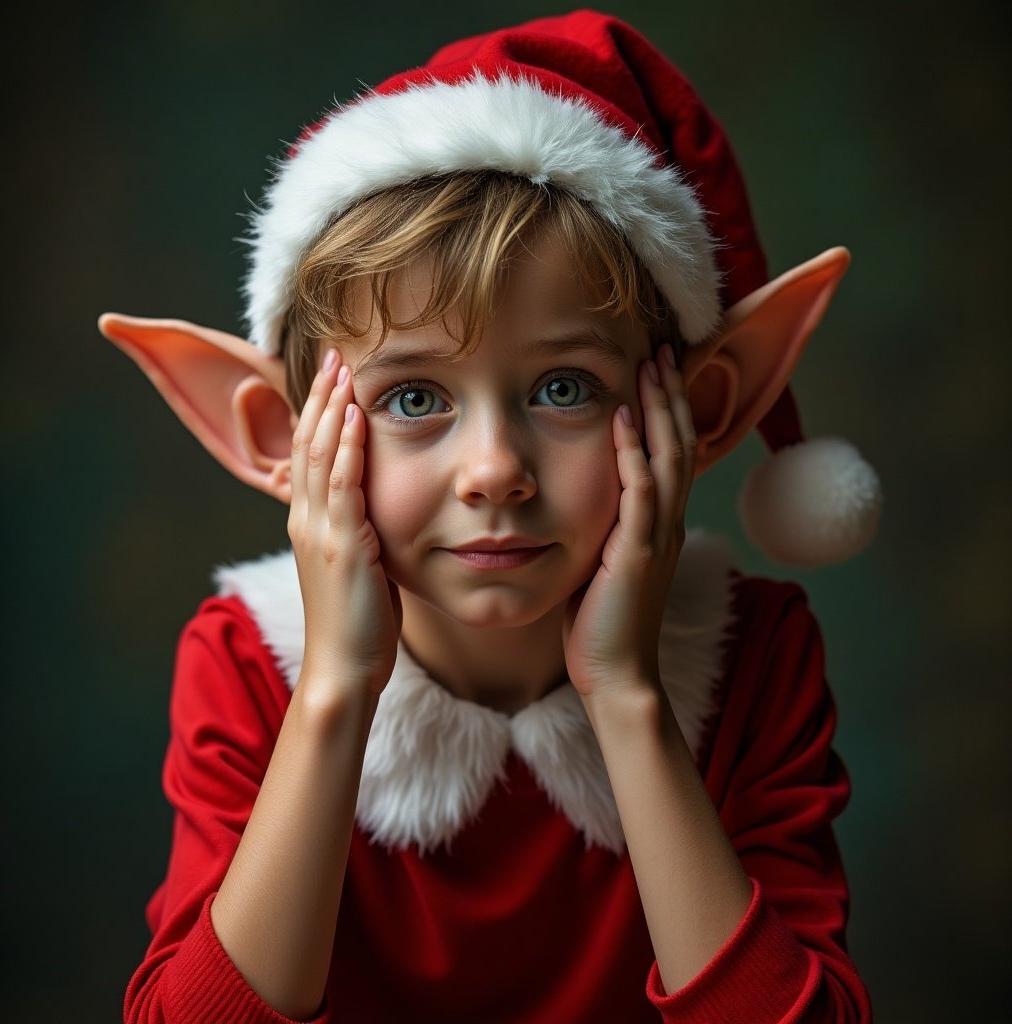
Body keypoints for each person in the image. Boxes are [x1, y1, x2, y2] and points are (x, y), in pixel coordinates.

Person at [102, 11, 881, 1023]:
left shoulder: (756, 655)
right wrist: (337, 688)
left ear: (696, 412)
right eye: (415, 399)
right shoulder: (246, 662)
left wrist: (630, 701)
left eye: (564, 387)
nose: (494, 471)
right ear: (279, 437)